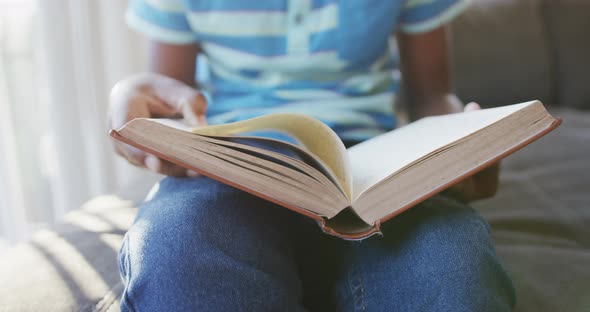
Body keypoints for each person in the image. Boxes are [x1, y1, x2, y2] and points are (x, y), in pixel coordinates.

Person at [110, 0, 516, 310]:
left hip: (371, 169)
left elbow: (431, 92)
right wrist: (131, 98)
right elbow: (169, 94)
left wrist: (460, 139)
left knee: (455, 264)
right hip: (231, 161)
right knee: (175, 251)